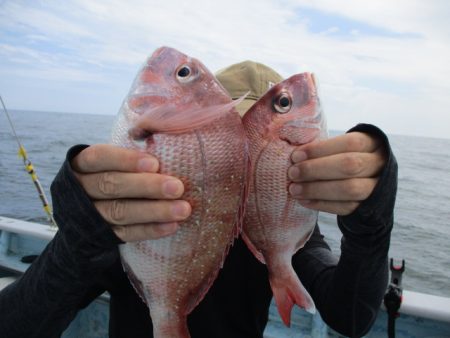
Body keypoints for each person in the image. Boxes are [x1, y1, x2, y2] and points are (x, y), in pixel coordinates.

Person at [0, 61, 397, 338]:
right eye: (223, 139)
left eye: (253, 151)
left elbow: (351, 315)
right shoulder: (136, 221)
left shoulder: (277, 231)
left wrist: (370, 220)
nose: (239, 162)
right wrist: (78, 239)